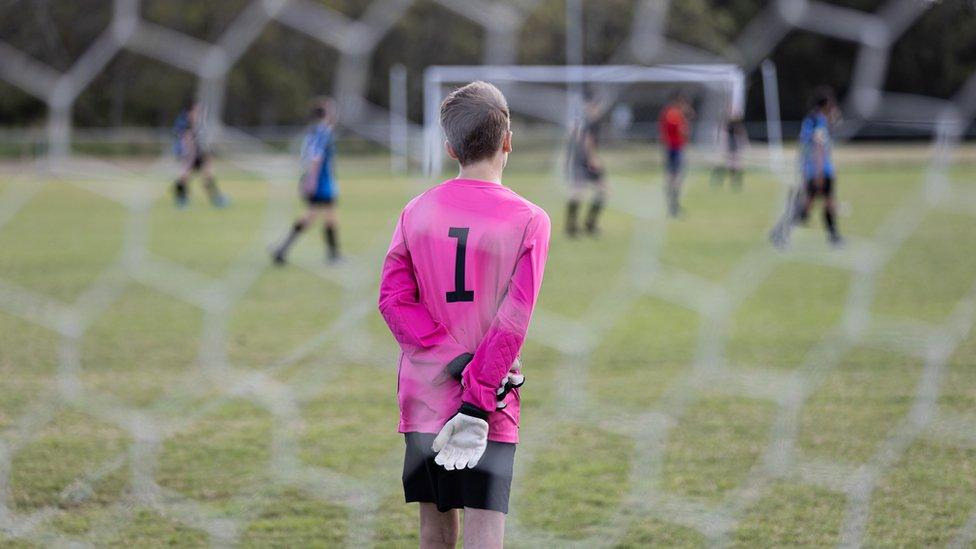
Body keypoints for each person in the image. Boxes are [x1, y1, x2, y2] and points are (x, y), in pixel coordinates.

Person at [378, 81, 550, 549]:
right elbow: (513, 321)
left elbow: (393, 301)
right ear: (508, 140)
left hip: (425, 398)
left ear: (450, 146)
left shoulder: (416, 211)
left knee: (435, 532)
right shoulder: (530, 219)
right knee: (484, 532)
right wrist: (476, 392)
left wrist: (451, 362)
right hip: (489, 402)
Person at [272, 97, 342, 265]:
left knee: (313, 216)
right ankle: (333, 256)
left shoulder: (314, 131)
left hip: (320, 180)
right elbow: (316, 157)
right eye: (331, 109)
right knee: (326, 215)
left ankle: (282, 250)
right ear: (326, 113)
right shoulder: (322, 131)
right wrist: (312, 180)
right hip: (321, 182)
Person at [795, 87, 843, 247]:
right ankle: (784, 231)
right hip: (819, 169)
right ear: (827, 104)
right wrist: (820, 171)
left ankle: (834, 237)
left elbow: (805, 144)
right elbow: (818, 146)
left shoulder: (811, 119)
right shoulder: (819, 121)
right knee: (814, 203)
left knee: (821, 202)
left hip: (812, 168)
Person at [566, 92, 607, 237]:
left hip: (582, 160)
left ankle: (587, 224)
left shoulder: (588, 121)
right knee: (580, 192)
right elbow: (587, 140)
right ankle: (573, 226)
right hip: (583, 161)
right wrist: (592, 158)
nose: (598, 109)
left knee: (601, 191)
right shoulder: (588, 121)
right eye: (595, 105)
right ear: (588, 106)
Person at [172, 99, 226, 208]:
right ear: (190, 112)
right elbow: (187, 142)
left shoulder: (200, 124)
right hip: (187, 154)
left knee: (207, 174)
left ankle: (216, 198)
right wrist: (190, 157)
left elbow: (204, 140)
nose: (200, 113)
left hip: (198, 153)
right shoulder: (184, 123)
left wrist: (207, 154)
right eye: (197, 111)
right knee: (184, 175)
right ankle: (181, 198)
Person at [659, 92, 694, 217]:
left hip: (671, 148)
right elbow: (682, 131)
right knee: (675, 178)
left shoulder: (669, 113)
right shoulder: (674, 114)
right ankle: (672, 206)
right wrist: (686, 124)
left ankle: (673, 205)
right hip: (675, 148)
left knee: (672, 177)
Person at [711, 116, 748, 190]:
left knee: (734, 166)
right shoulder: (728, 129)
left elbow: (741, 137)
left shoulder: (736, 129)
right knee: (728, 166)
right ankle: (721, 181)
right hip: (728, 149)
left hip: (733, 149)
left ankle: (735, 182)